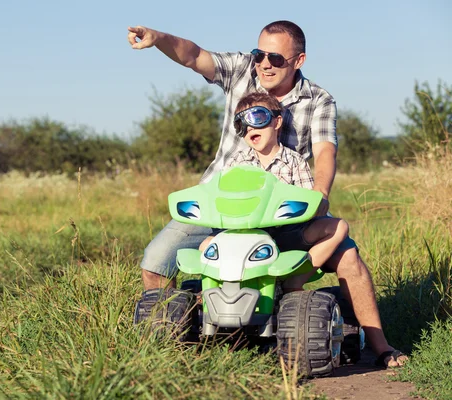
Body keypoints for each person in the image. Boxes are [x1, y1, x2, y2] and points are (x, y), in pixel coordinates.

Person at [127, 20, 406, 368]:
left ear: (298, 61)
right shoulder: (242, 69)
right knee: (157, 260)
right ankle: (174, 352)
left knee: (347, 255)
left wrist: (319, 194)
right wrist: (158, 39)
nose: (265, 63)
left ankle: (378, 346)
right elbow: (194, 55)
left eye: (276, 57)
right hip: (221, 206)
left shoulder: (317, 100)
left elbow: (324, 153)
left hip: (284, 210)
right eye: (261, 54)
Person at [199, 92, 349, 292]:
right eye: (240, 124)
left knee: (339, 227)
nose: (249, 127)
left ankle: (295, 282)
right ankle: (216, 290)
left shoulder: (295, 162)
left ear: (277, 122)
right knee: (206, 244)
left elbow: (308, 202)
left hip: (287, 234)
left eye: (257, 117)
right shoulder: (237, 163)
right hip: (245, 235)